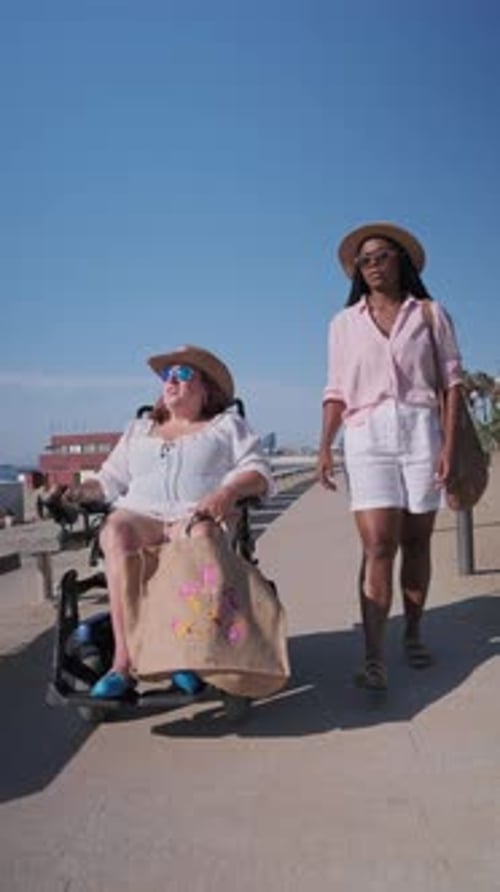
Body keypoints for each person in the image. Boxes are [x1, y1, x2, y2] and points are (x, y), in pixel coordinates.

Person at [61, 345, 274, 699]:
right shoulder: (139, 430)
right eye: (167, 375)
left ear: (207, 389)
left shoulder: (226, 426)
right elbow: (108, 481)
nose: (172, 380)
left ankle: (185, 658)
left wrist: (227, 493)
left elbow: (258, 472)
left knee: (197, 533)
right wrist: (74, 493)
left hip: (196, 513)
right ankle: (123, 664)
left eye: (184, 373)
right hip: (141, 514)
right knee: (115, 531)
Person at [317, 222, 463, 691]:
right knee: (379, 544)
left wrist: (450, 446)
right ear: (356, 272)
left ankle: (414, 632)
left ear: (401, 260)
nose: (374, 265)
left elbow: (452, 383)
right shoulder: (342, 324)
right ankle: (374, 656)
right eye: (365, 261)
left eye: (382, 256)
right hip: (366, 435)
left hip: (422, 429)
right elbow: (336, 389)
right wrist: (324, 445)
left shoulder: (430, 314)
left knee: (417, 541)